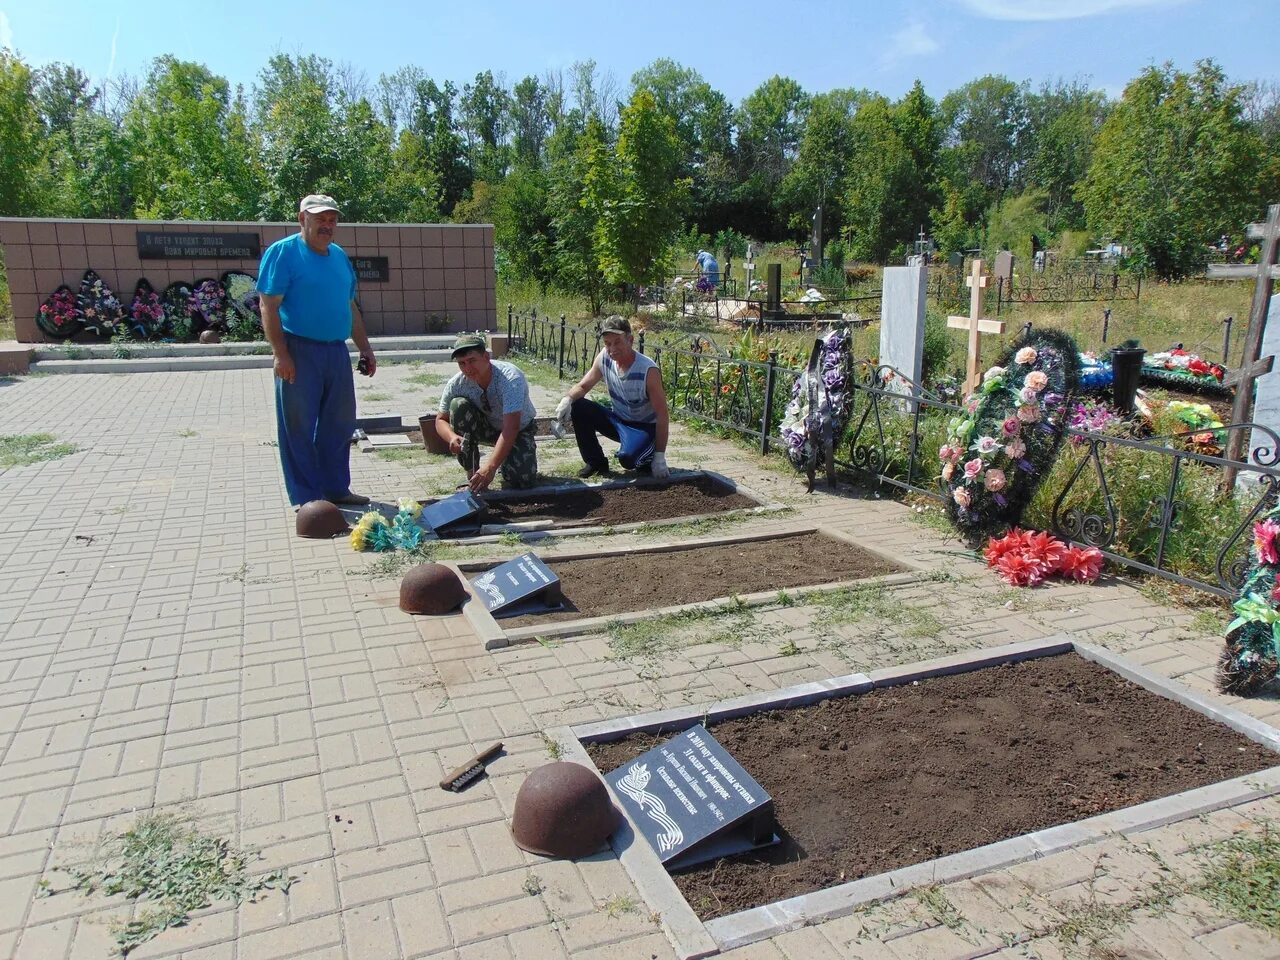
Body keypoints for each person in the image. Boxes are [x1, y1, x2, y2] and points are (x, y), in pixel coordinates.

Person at [259, 193, 376, 507]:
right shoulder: (283, 253)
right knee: (297, 425)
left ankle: (336, 488)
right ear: (302, 219)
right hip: (298, 350)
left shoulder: (338, 256)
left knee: (339, 424)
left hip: (336, 352)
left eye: (331, 219)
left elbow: (349, 306)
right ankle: (307, 498)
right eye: (319, 219)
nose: (327, 225)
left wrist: (365, 348)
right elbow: (268, 306)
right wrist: (281, 354)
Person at [554, 315, 670, 480]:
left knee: (628, 460)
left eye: (617, 342)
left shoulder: (648, 370)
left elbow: (662, 414)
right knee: (578, 406)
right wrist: (567, 399)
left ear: (630, 340)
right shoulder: (604, 357)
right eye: (607, 343)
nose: (612, 349)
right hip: (618, 421)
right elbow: (583, 386)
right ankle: (596, 463)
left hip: (644, 428)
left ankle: (648, 454)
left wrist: (660, 456)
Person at [435, 334, 539, 492]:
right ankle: (473, 475)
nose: (468, 369)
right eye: (462, 363)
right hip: (488, 427)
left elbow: (511, 427)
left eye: (472, 361)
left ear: (486, 356)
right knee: (458, 405)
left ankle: (503, 462)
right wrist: (451, 437)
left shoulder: (510, 379)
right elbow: (440, 419)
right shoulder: (457, 383)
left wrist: (490, 467)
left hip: (518, 430)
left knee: (522, 480)